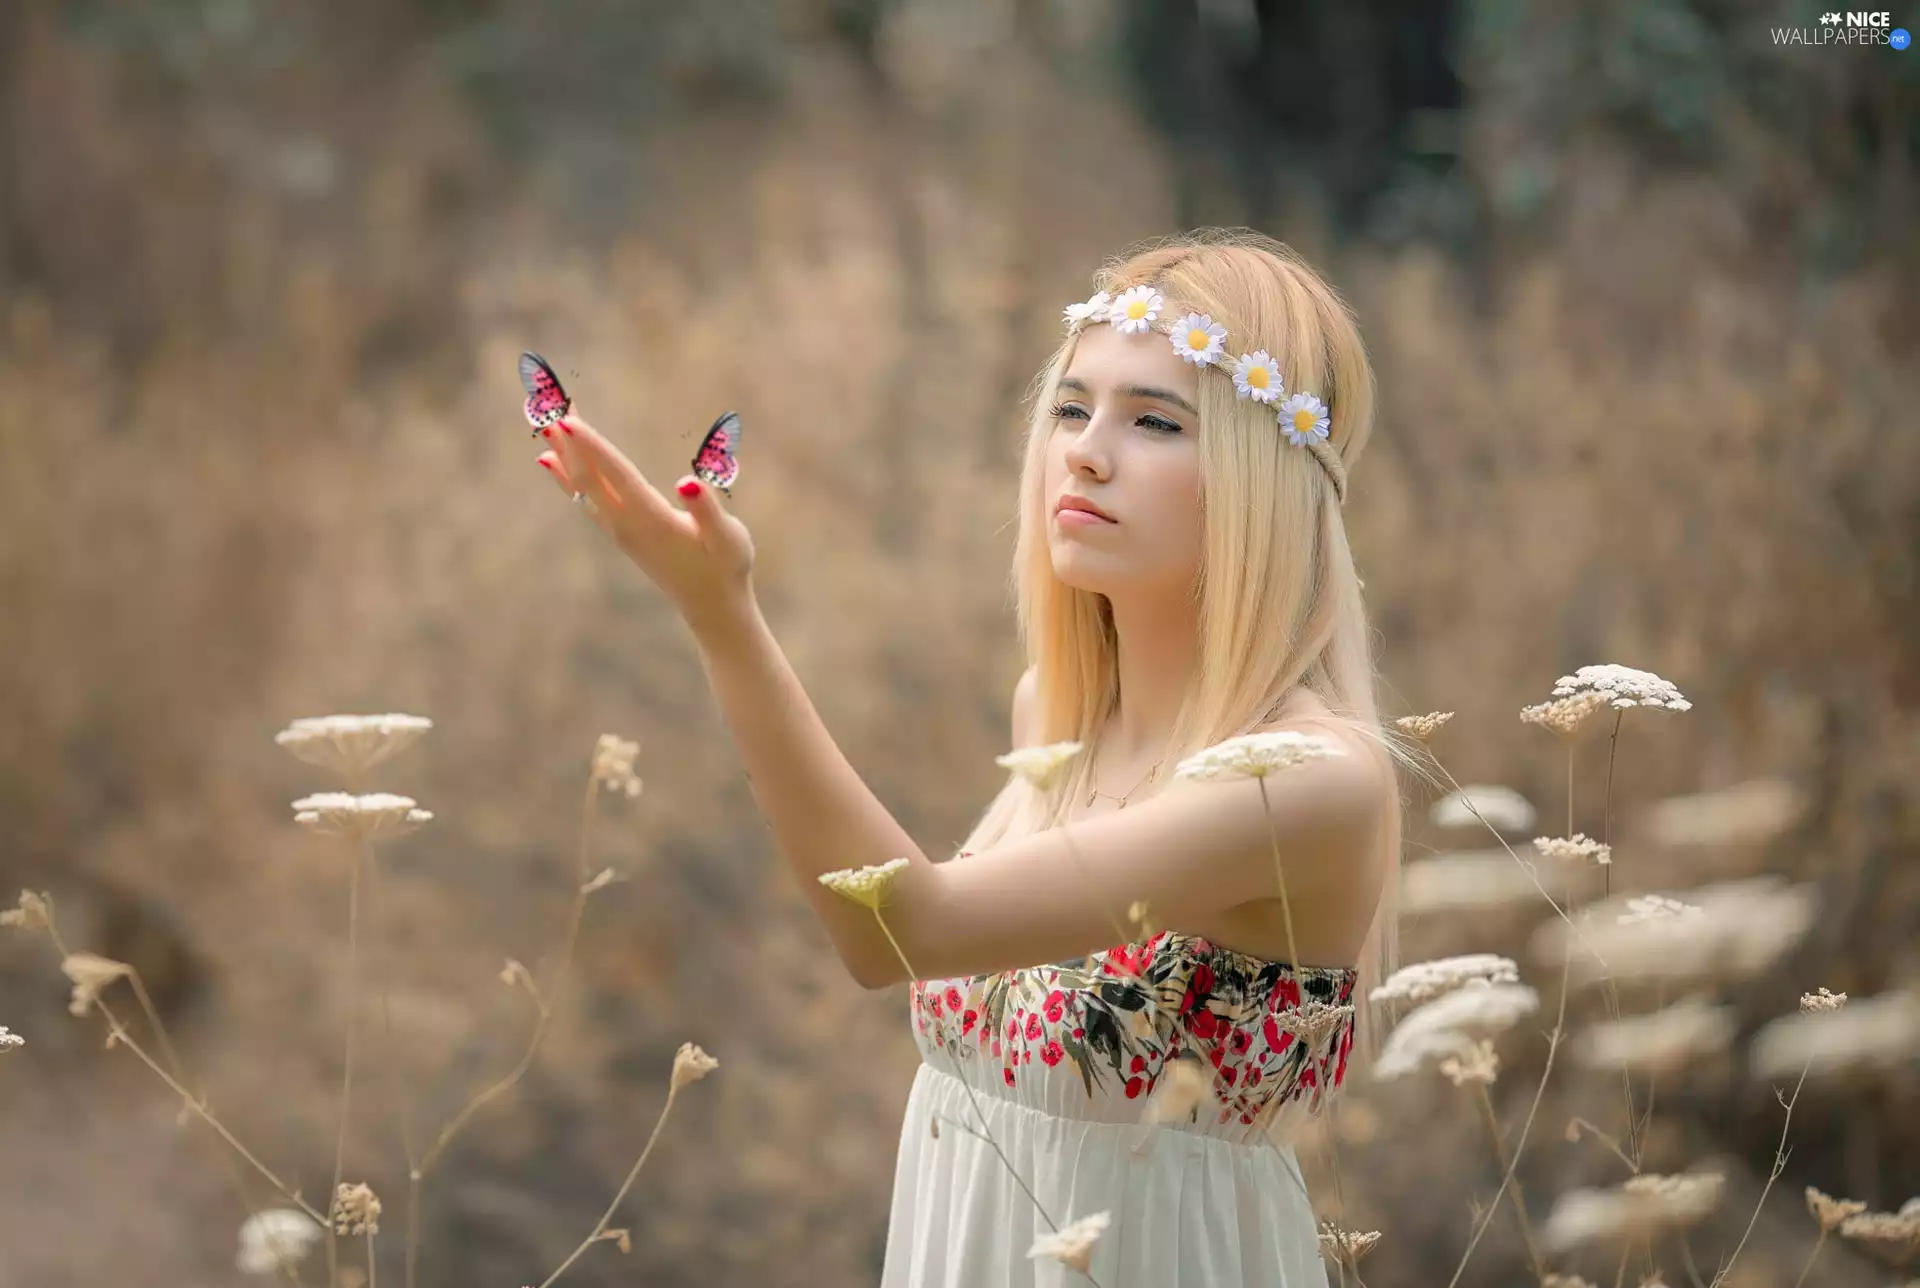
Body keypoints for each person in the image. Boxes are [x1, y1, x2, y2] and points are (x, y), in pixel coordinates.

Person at [531, 229, 1415, 1286]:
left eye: (1156, 421)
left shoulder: (1305, 781)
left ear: (1265, 478)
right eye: (1072, 406)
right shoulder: (1053, 713)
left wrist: (724, 618)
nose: (1086, 449)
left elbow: (901, 930)